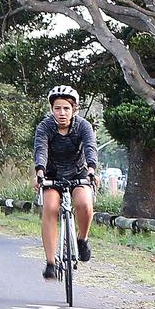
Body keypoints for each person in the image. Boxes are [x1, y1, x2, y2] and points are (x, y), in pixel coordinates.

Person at [33, 85, 98, 280]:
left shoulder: (83, 126)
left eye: (66, 108)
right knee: (50, 208)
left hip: (78, 173)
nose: (62, 113)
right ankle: (51, 262)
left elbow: (90, 147)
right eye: (57, 108)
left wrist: (92, 170)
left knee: (84, 204)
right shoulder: (45, 127)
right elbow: (41, 150)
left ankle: (82, 239)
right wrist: (40, 172)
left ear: (74, 109)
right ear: (52, 109)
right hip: (52, 174)